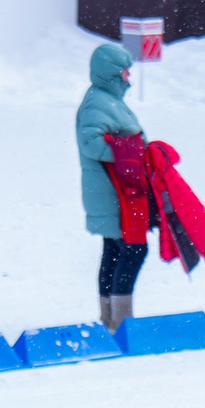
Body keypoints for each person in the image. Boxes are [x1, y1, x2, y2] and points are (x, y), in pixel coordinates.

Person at [77, 41, 145, 328]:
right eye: (126, 72)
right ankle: (120, 321)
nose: (129, 77)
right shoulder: (97, 102)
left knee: (116, 250)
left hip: (116, 191)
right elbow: (91, 142)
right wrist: (130, 153)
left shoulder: (108, 100)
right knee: (133, 249)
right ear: (112, 73)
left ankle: (110, 319)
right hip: (111, 193)